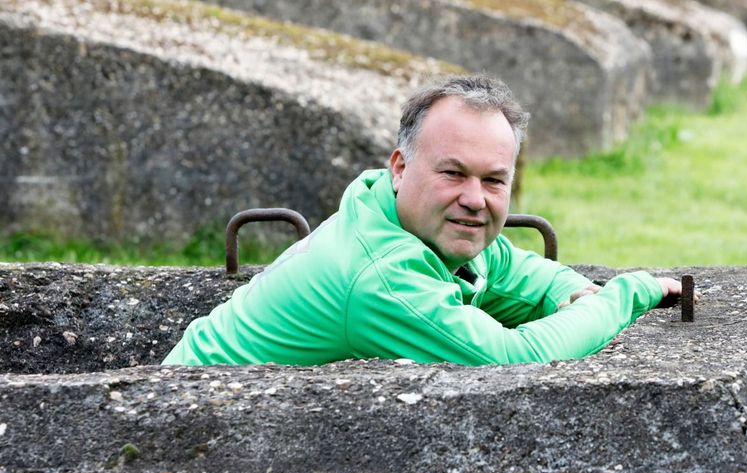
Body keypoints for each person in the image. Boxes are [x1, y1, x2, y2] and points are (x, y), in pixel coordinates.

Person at [162, 75, 690, 366]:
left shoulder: (401, 218)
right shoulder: (382, 275)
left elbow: (518, 271)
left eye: (493, 181)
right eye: (453, 173)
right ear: (400, 167)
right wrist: (629, 295)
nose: (475, 199)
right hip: (188, 428)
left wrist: (576, 294)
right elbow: (514, 358)